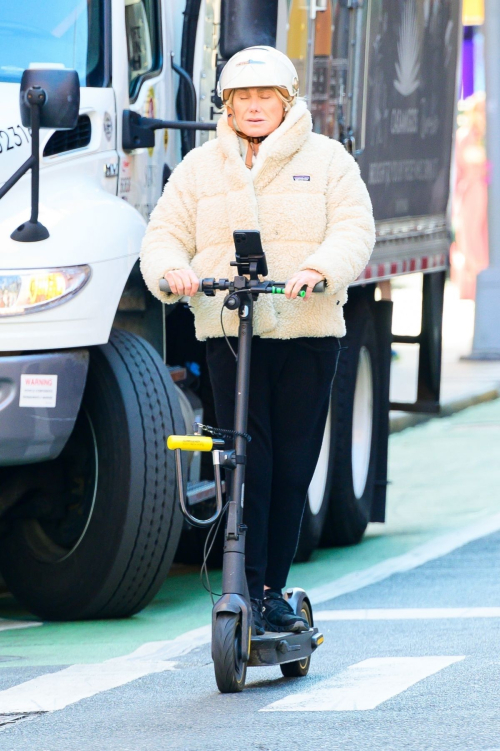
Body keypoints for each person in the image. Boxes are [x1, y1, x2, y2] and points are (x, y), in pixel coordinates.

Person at [140, 46, 375, 635]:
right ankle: (244, 588)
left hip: (305, 328)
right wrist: (173, 272)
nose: (251, 107)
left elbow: (354, 228)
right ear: (227, 104)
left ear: (286, 100)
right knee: (249, 462)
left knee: (293, 464)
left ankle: (271, 590)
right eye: (241, 98)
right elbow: (164, 234)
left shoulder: (327, 160)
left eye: (263, 96)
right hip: (228, 329)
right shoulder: (201, 166)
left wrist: (320, 269)